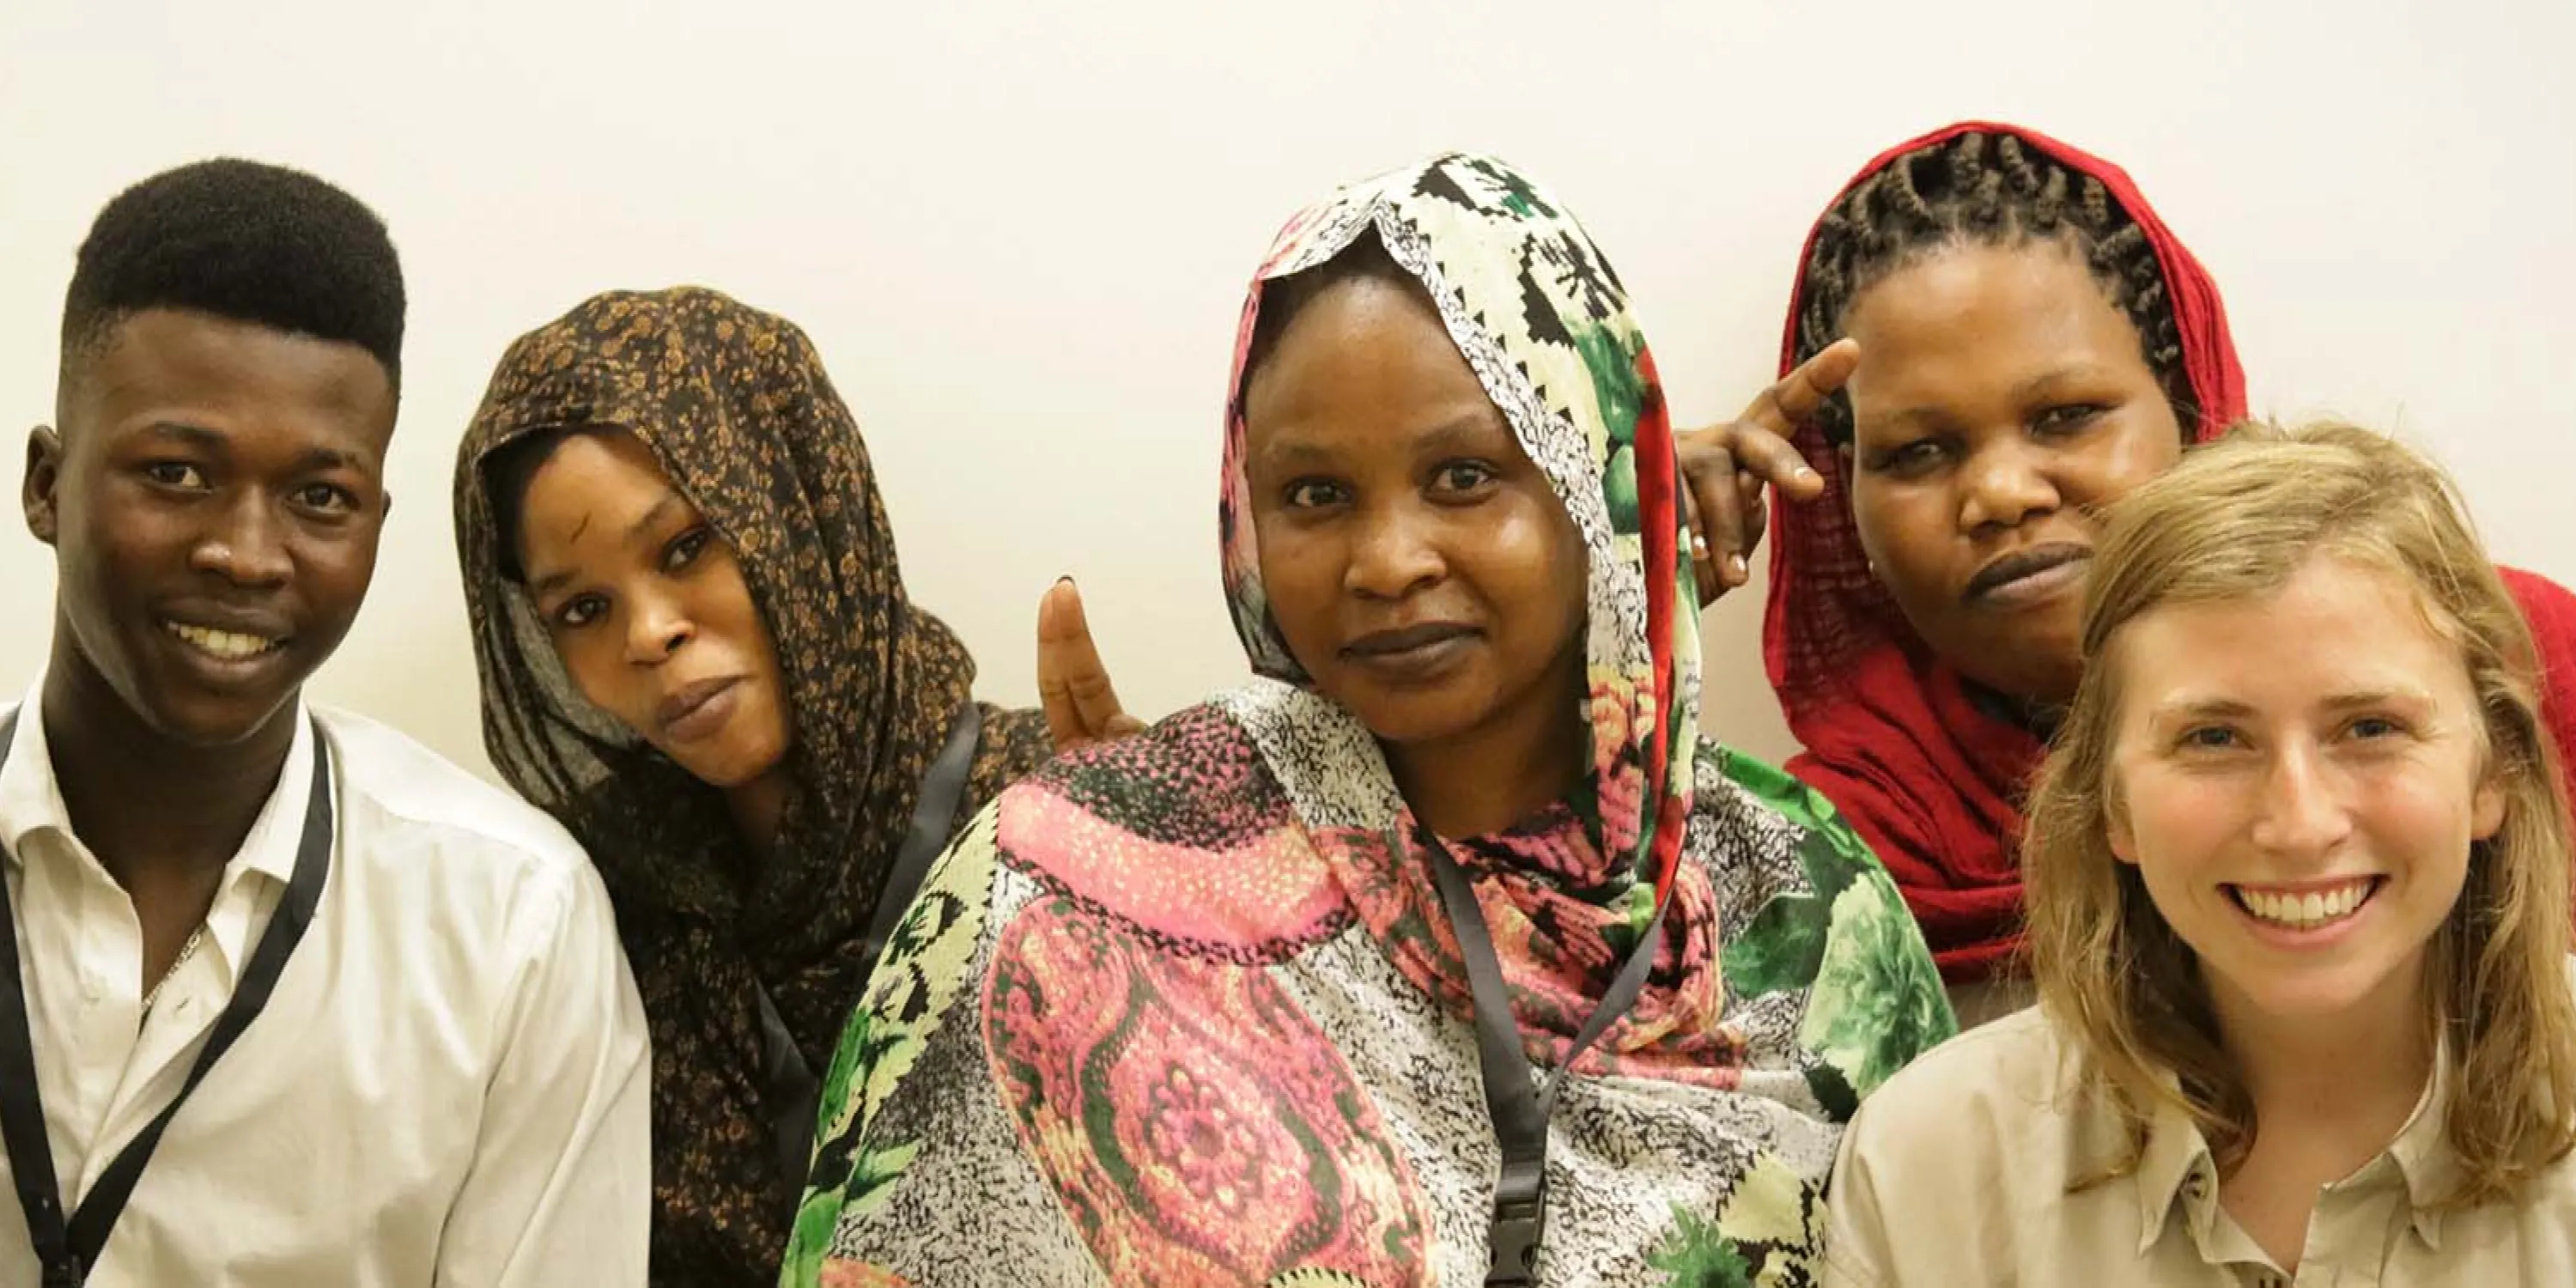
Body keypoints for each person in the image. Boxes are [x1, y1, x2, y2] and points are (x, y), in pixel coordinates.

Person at [782, 153, 1952, 1287]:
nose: (1388, 561)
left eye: (1463, 476)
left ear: (1595, 481)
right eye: (1316, 495)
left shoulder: (1804, 904)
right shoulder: (1070, 874)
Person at [1729, 122, 2576, 1023]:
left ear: (2191, 409)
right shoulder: (1817, 854)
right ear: (1837, 500)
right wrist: (1638, 588)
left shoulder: (2502, 663)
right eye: (1918, 451)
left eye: (2065, 416)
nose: (2003, 493)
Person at [3, 160, 648, 1286]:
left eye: (320, 499)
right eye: (176, 471)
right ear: (48, 486)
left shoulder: (513, 929)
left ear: (375, 524)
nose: (248, 553)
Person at [1823, 420, 2576, 1284]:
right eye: (2215, 738)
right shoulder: (1933, 1166)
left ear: (2493, 775)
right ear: (2113, 803)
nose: (2299, 823)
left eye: (2371, 729)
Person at [452, 285, 1059, 1285]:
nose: (646, 635)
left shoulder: (1050, 822)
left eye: (689, 547)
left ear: (802, 509)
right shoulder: (593, 916)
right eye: (583, 609)